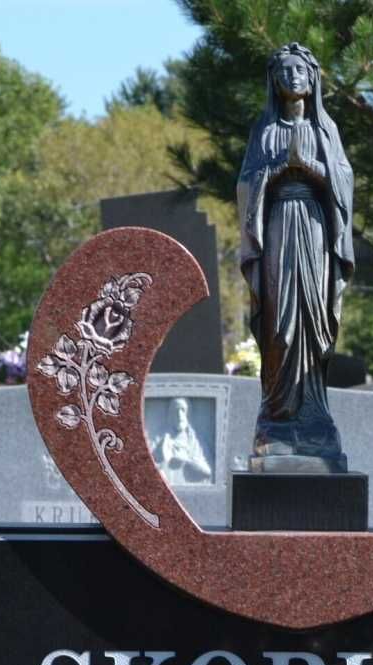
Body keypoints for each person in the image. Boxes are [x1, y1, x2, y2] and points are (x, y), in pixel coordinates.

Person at [236, 43, 356, 472]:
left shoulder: (326, 131)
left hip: (316, 226)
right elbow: (247, 184)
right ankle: (277, 413)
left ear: (313, 78)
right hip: (278, 227)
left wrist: (310, 169)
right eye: (284, 73)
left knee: (312, 316)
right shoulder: (264, 131)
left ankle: (313, 412)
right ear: (274, 81)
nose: (293, 79)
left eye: (300, 71)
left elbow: (343, 184)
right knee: (280, 322)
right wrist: (272, 174)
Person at [151, 396, 214, 485]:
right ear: (170, 415)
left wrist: (186, 461)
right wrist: (160, 457)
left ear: (188, 414)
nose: (179, 415)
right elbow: (147, 466)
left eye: (183, 410)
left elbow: (209, 472)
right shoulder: (160, 439)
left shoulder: (196, 442)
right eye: (176, 411)